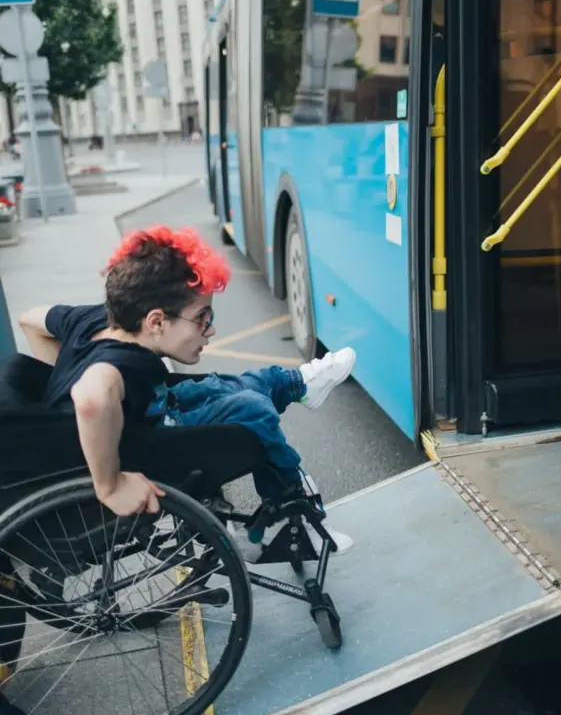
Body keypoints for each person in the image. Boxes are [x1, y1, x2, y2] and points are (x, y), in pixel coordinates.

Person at [18, 225, 356, 561]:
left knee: (220, 386)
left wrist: (55, 386)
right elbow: (92, 399)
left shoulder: (94, 320)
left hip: (152, 408)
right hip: (151, 438)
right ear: (156, 321)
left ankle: (297, 384)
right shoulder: (121, 363)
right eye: (201, 317)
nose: (210, 330)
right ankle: (292, 512)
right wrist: (110, 486)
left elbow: (29, 320)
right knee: (253, 410)